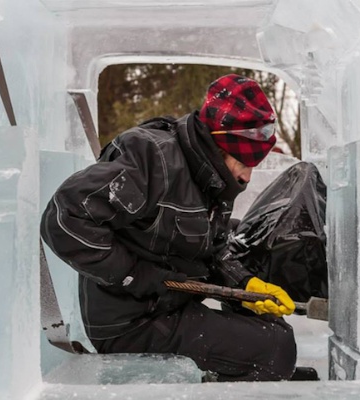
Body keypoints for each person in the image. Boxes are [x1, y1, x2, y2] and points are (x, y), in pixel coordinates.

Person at [40, 74, 298, 381]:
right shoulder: (153, 160)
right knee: (275, 348)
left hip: (170, 305)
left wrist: (244, 286)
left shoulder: (211, 176)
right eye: (243, 161)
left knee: (273, 325)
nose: (247, 176)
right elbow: (64, 218)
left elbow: (211, 248)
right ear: (219, 144)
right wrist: (135, 274)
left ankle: (219, 377)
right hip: (132, 321)